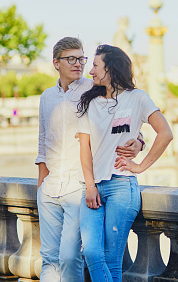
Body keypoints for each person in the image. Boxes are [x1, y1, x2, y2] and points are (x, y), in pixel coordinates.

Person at [35, 37, 143, 281]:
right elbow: (42, 145)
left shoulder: (93, 90)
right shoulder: (46, 97)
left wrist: (139, 141)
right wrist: (40, 187)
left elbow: (127, 123)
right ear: (56, 63)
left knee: (71, 257)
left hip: (80, 187)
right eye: (71, 59)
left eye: (81, 59)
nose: (79, 64)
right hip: (50, 188)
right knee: (49, 258)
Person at [76, 44, 173, 281]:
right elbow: (85, 149)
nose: (91, 71)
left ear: (110, 69)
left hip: (122, 186)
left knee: (111, 258)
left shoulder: (137, 98)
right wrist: (90, 186)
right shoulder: (90, 102)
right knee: (90, 252)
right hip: (93, 187)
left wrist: (140, 166)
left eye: (96, 66)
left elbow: (165, 133)